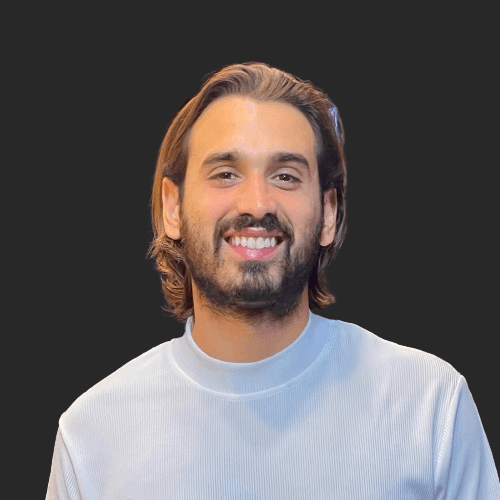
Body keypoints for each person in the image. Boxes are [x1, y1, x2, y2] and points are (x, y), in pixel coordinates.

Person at [46, 62, 500, 499]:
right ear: (172, 207)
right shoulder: (91, 437)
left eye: (285, 176)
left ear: (329, 213)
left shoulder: (431, 407)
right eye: (226, 174)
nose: (257, 203)